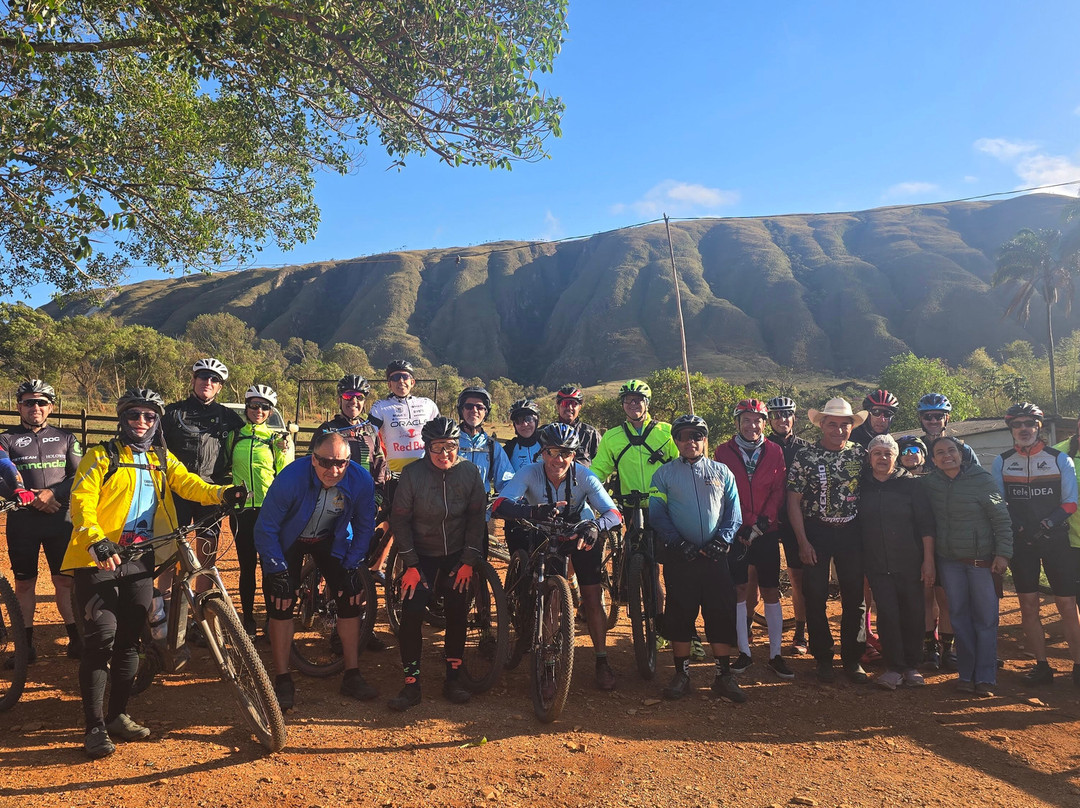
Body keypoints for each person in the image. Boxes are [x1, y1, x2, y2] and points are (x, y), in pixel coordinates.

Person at [62, 389, 245, 758]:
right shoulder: (102, 456)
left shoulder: (162, 457)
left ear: (157, 421)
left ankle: (117, 716)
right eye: (134, 415)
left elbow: (190, 484)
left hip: (140, 559)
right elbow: (81, 502)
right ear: (121, 418)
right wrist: (97, 540)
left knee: (131, 639)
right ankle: (94, 727)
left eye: (148, 416)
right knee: (102, 637)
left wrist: (222, 492)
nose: (141, 422)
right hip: (99, 559)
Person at [255, 431, 379, 711]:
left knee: (350, 598)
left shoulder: (360, 480)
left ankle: (352, 674)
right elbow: (266, 528)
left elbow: (363, 526)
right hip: (289, 540)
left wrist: (352, 565)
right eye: (325, 462)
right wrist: (277, 571)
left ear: (349, 461)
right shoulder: (291, 478)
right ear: (313, 459)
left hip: (329, 539)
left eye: (341, 463)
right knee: (281, 601)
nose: (333, 470)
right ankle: (283, 678)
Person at [493, 423, 623, 688]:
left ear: (573, 455)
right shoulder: (528, 473)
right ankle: (549, 660)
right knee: (548, 596)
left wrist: (595, 526)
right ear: (542, 453)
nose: (558, 459)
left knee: (592, 596)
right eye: (552, 452)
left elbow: (614, 514)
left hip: (578, 534)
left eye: (565, 453)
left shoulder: (585, 476)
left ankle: (601, 659)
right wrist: (531, 512)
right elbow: (500, 504)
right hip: (542, 532)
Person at [387, 417, 487, 710]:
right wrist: (411, 564)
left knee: (457, 610)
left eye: (451, 446)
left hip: (458, 554)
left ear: (459, 446)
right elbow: (400, 520)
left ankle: (453, 679)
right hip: (421, 557)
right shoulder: (412, 474)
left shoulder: (470, 472)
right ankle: (411, 684)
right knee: (412, 612)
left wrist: (468, 561)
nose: (444, 453)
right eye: (437, 447)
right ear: (426, 448)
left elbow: (476, 520)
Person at [650, 414, 747, 702]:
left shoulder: (722, 471)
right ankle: (682, 675)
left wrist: (722, 540)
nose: (690, 441)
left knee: (720, 614)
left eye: (696, 435)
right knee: (680, 614)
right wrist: (677, 542)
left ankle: (723, 676)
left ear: (705, 439)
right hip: (682, 557)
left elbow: (734, 513)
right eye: (683, 436)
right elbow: (657, 514)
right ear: (676, 441)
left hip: (716, 557)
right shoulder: (663, 474)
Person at [992, 402, 1080, 687]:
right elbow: (999, 502)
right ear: (1011, 429)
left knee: (1067, 605)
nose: (1024, 429)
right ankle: (1042, 665)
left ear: (1039, 427)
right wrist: (1018, 526)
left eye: (1029, 424)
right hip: (1022, 543)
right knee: (1028, 605)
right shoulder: (1002, 461)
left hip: (1055, 541)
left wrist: (1046, 525)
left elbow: (1070, 502)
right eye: (1017, 425)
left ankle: (1078, 664)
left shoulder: (1059, 459)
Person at [786, 397, 869, 684]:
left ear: (851, 426)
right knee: (815, 596)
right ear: (822, 425)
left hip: (851, 532)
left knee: (854, 598)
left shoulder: (861, 454)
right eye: (832, 424)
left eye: (844, 424)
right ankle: (823, 657)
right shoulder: (805, 457)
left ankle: (852, 658)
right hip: (816, 532)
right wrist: (802, 541)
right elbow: (793, 501)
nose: (838, 430)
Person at [0, 379, 83, 662]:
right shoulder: (6, 439)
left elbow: (78, 475)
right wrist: (27, 495)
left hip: (59, 518)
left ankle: (76, 639)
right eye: (28, 402)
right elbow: (2, 471)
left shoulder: (66, 437)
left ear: (51, 407)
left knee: (64, 582)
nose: (34, 407)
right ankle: (26, 648)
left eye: (41, 402)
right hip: (23, 521)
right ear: (19, 406)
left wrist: (51, 493)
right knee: (24, 584)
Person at [922, 436, 1011, 696]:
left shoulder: (982, 480)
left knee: (985, 620)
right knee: (959, 618)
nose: (946, 456)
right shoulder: (930, 484)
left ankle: (985, 677)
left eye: (951, 451)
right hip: (950, 563)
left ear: (961, 454)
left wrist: (1004, 554)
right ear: (933, 459)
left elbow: (1001, 518)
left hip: (982, 562)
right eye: (940, 452)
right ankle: (965, 674)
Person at [713, 399, 793, 680]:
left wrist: (761, 523)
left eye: (758, 419)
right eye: (747, 419)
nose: (753, 425)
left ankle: (775, 654)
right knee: (740, 589)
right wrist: (745, 524)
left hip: (766, 532)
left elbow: (779, 489)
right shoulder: (723, 451)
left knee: (771, 590)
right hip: (737, 532)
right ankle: (744, 653)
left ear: (764, 422)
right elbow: (723, 491)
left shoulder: (774, 451)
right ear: (738, 422)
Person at [161, 358, 244, 601]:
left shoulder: (229, 418)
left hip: (211, 493)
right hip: (176, 492)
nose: (208, 382)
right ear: (194, 380)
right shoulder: (172, 413)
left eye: (214, 380)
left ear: (220, 387)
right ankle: (164, 607)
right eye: (203, 377)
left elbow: (243, 447)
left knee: (207, 551)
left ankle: (203, 604)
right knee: (170, 550)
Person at [859, 435, 936, 690]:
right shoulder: (862, 485)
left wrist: (928, 561)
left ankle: (912, 667)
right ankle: (893, 667)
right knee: (888, 615)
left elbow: (926, 526)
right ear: (869, 457)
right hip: (877, 562)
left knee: (913, 613)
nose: (882, 458)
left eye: (888, 453)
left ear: (895, 457)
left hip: (909, 561)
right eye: (877, 453)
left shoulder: (912, 485)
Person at [226, 384, 290, 636]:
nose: (259, 410)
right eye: (254, 405)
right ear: (247, 407)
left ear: (271, 411)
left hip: (268, 511)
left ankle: (271, 619)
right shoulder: (234, 437)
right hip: (241, 511)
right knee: (246, 567)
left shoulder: (276, 440)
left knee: (269, 566)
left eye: (265, 407)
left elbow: (285, 477)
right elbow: (223, 468)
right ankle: (248, 619)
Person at [765, 395, 809, 655]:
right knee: (757, 577)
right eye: (777, 415)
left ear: (794, 417)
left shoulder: (805, 448)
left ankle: (800, 634)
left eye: (787, 415)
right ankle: (745, 625)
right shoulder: (761, 446)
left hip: (796, 519)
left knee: (798, 578)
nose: (782, 420)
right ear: (769, 419)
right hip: (768, 517)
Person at [591, 380, 678, 500]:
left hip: (663, 505)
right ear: (622, 403)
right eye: (628, 399)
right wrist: (582, 488)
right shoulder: (611, 437)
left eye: (638, 400)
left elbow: (682, 465)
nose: (633, 404)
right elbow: (598, 470)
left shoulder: (668, 432)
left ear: (647, 403)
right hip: (629, 505)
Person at [313, 375, 388, 486]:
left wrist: (377, 498)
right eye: (348, 396)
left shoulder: (370, 431)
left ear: (364, 402)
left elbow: (380, 467)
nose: (354, 401)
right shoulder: (326, 430)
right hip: (333, 497)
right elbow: (310, 465)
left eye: (360, 397)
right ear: (339, 400)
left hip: (364, 496)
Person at [368, 359, 440, 473]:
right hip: (394, 473)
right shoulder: (380, 407)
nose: (400, 381)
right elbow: (370, 438)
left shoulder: (428, 404)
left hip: (426, 472)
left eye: (405, 376)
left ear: (412, 382)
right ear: (389, 384)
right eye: (395, 378)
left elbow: (440, 436)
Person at [456, 386, 514, 497]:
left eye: (480, 407)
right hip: (452, 508)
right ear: (461, 410)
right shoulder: (450, 443)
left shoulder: (492, 446)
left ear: (486, 412)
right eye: (468, 406)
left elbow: (506, 480)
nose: (474, 410)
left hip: (482, 508)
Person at [917, 393, 979, 469]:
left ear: (947, 418)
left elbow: (980, 478)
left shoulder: (964, 450)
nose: (933, 421)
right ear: (920, 418)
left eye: (938, 416)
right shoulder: (913, 451)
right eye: (928, 417)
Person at [548, 385, 601, 465]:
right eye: (565, 403)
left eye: (573, 404)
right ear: (558, 407)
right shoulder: (547, 432)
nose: (569, 407)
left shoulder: (591, 434)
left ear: (579, 407)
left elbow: (602, 464)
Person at [503, 399, 542, 473]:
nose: (524, 424)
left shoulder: (546, 443)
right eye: (519, 420)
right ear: (515, 425)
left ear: (536, 421)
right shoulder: (509, 448)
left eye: (529, 419)